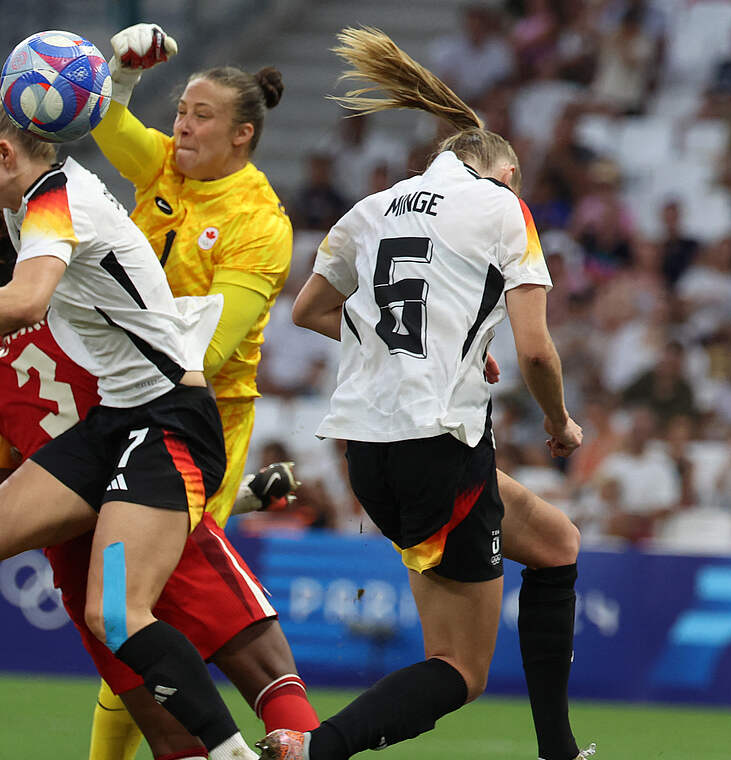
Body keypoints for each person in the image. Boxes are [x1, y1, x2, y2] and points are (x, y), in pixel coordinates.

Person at [0, 90, 263, 760]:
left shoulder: (55, 200)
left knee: (117, 615)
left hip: (170, 419)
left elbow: (31, 296)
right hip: (121, 416)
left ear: (7, 152)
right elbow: (36, 295)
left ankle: (230, 754)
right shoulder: (30, 204)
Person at [260, 28, 592, 760]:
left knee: (557, 541)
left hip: (369, 452)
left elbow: (310, 311)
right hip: (440, 446)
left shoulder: (371, 208)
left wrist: (435, 341)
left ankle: (558, 751)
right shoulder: (503, 207)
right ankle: (313, 751)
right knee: (459, 669)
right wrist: (561, 423)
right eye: (513, 180)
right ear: (499, 169)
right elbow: (536, 347)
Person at [0, 210, 317, 759]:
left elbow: (8, 507)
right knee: (272, 679)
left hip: (83, 566)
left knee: (175, 736)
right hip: (156, 515)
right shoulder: (97, 317)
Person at [83, 25, 303, 759]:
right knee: (123, 614)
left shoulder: (260, 223)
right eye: (181, 108)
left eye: (201, 115)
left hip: (200, 424)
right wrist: (117, 73)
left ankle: (264, 736)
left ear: (241, 134)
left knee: (135, 613)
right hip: (125, 404)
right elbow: (107, 123)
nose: (182, 123)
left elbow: (209, 349)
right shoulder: (163, 172)